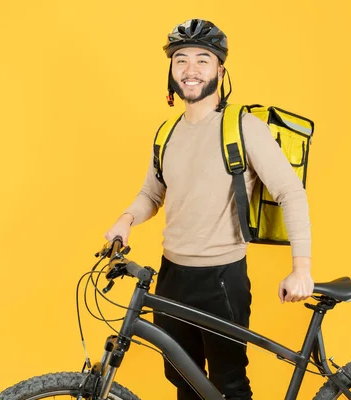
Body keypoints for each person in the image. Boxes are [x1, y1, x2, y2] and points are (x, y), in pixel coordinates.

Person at [104, 18, 314, 400]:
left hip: (222, 278)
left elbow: (290, 192)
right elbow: (152, 194)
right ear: (171, 71)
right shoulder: (167, 133)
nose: (190, 69)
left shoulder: (244, 127)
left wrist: (302, 268)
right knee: (184, 383)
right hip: (171, 276)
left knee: (229, 385)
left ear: (220, 69)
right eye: (181, 60)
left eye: (203, 60)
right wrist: (125, 220)